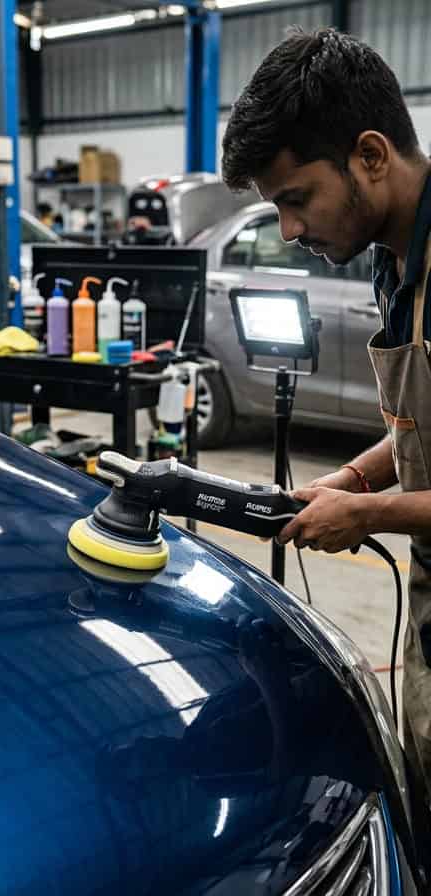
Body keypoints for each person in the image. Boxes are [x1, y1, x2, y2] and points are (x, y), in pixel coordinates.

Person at [222, 27, 431, 776]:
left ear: (370, 156)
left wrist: (367, 516)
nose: (289, 230)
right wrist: (354, 478)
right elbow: (420, 428)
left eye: (297, 199)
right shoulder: (393, 262)